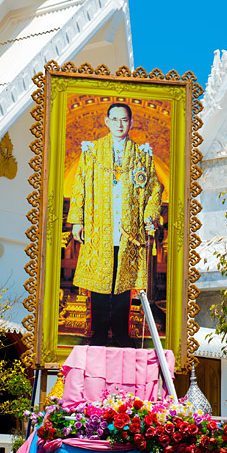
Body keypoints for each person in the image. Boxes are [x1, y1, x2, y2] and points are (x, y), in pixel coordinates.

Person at [67, 102, 162, 346]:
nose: (120, 124)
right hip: (100, 228)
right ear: (107, 121)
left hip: (129, 230)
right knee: (100, 283)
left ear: (131, 123)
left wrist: (150, 216)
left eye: (124, 120)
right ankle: (97, 332)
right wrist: (77, 221)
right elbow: (80, 188)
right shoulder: (92, 151)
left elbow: (153, 189)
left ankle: (121, 333)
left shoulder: (142, 154)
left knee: (123, 283)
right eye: (115, 119)